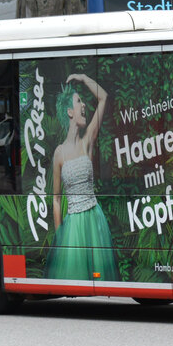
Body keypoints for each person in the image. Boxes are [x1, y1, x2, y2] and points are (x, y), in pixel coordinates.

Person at [47, 72, 118, 282]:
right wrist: (60, 236)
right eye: (79, 102)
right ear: (70, 112)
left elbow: (103, 97)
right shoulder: (59, 153)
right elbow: (57, 199)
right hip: (73, 227)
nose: (84, 105)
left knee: (100, 278)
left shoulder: (87, 141)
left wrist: (83, 77)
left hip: (94, 219)